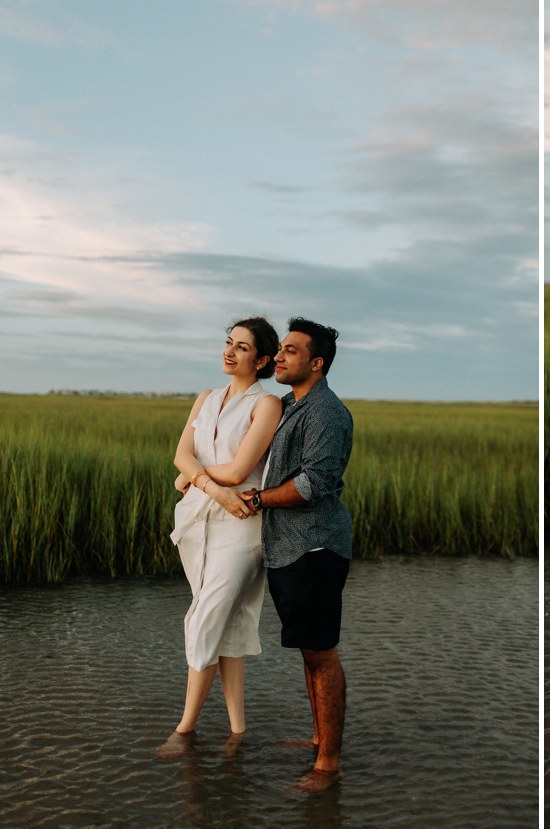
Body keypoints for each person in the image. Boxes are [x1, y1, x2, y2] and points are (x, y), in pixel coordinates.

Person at [157, 317, 284, 759]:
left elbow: (235, 470)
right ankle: (238, 730)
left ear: (263, 360)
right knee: (224, 622)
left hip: (242, 525)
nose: (230, 352)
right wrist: (206, 486)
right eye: (229, 343)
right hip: (200, 520)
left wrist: (192, 476)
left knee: (205, 616)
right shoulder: (206, 398)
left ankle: (185, 728)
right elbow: (179, 454)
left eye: (243, 348)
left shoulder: (266, 405)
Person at [240, 318, 354, 794]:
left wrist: (260, 500)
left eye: (291, 351)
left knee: (322, 653)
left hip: (315, 546)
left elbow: (313, 484)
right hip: (288, 547)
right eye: (280, 350)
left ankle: (328, 764)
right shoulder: (287, 405)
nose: (280, 358)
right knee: (309, 651)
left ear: (317, 362)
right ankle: (316, 738)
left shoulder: (324, 412)